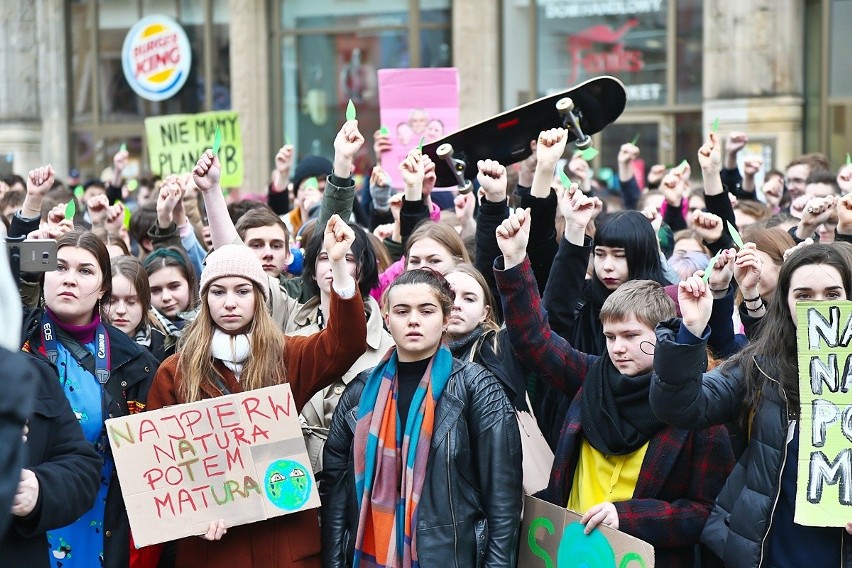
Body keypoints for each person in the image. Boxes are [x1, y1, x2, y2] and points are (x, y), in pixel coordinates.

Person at [494, 208, 734, 567]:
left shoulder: (700, 409)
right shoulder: (593, 375)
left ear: (664, 336)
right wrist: (514, 260)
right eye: (610, 336)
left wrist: (628, 517)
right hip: (569, 552)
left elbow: (705, 512)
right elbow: (535, 341)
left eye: (631, 336)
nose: (617, 347)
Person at [145, 211, 368, 568]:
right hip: (214, 547)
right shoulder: (175, 372)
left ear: (259, 298)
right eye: (218, 292)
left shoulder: (287, 354)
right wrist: (192, 517)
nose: (230, 302)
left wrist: (339, 266)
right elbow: (162, 463)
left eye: (242, 291)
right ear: (204, 300)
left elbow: (346, 343)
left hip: (282, 540)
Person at [652, 242, 852, 568]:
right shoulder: (760, 366)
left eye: (832, 294)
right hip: (769, 552)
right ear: (785, 303)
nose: (818, 306)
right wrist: (690, 331)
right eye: (803, 295)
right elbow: (681, 407)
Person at [9, 165, 159, 568]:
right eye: (58, 267)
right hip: (25, 525)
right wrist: (32, 212)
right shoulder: (14, 342)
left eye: (85, 270)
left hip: (103, 523)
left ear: (103, 289)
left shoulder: (137, 363)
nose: (69, 279)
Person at [320, 268, 522, 567]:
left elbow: (503, 502)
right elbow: (335, 495)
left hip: (449, 558)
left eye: (426, 310)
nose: (413, 320)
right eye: (402, 311)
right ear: (387, 319)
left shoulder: (477, 388)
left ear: (445, 317)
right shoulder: (359, 393)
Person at [293, 221, 395, 473]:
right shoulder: (293, 340)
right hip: (300, 476)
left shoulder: (391, 347)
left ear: (363, 268)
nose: (333, 264)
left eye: (346, 258)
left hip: (363, 474)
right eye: (324, 257)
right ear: (313, 271)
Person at [106, 255, 169, 362]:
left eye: (131, 302)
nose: (121, 310)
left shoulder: (166, 346)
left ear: (145, 304)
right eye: (111, 301)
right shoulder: (87, 346)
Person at [143, 245, 198, 351]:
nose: (166, 297)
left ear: (190, 284)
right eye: (155, 290)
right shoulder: (143, 338)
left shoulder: (211, 326)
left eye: (174, 286)